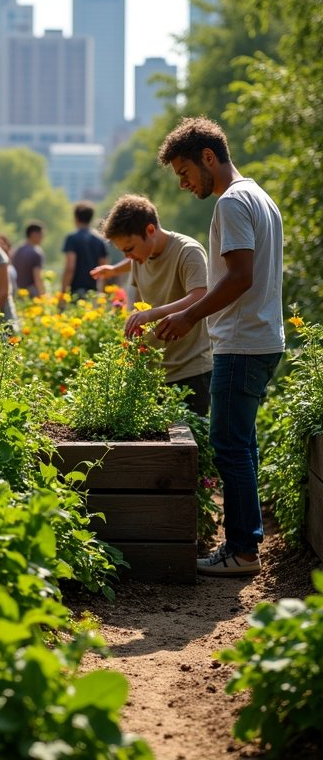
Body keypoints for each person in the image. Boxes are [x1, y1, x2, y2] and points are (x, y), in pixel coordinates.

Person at [156, 116, 284, 577]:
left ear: (208, 157)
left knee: (229, 446)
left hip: (242, 342)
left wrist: (189, 314)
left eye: (185, 173)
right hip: (262, 338)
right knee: (241, 444)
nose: (185, 184)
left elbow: (240, 276)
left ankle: (243, 550)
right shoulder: (259, 196)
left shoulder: (232, 202)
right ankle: (244, 543)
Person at [90, 194, 212, 416]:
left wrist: (151, 315)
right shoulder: (140, 258)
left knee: (192, 447)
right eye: (123, 252)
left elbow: (200, 295)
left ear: (150, 231)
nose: (129, 256)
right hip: (152, 373)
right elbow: (134, 272)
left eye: (130, 248)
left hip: (190, 372)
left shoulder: (188, 251)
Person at [61, 202, 108, 298]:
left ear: (76, 218)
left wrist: (63, 292)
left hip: (76, 291)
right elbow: (104, 267)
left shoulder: (72, 238)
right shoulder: (99, 240)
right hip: (93, 291)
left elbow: (70, 267)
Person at [11, 222, 45, 297]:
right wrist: (43, 295)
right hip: (30, 293)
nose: (43, 237)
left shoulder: (17, 250)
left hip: (16, 292)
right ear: (34, 234)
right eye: (41, 234)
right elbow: (37, 277)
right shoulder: (36, 252)